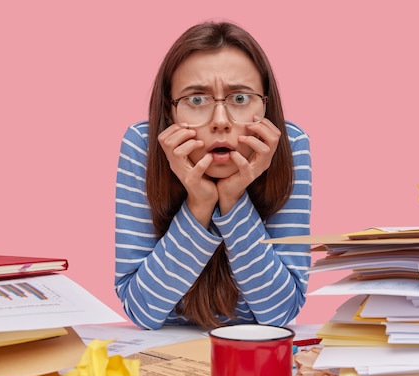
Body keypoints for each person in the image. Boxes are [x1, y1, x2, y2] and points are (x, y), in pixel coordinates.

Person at [114, 20, 312, 330]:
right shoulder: (143, 145)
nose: (220, 121)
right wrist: (199, 204)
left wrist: (233, 200)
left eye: (240, 99)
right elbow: (142, 310)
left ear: (266, 106)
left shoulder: (290, 145)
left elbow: (280, 312)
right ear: (170, 111)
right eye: (196, 100)